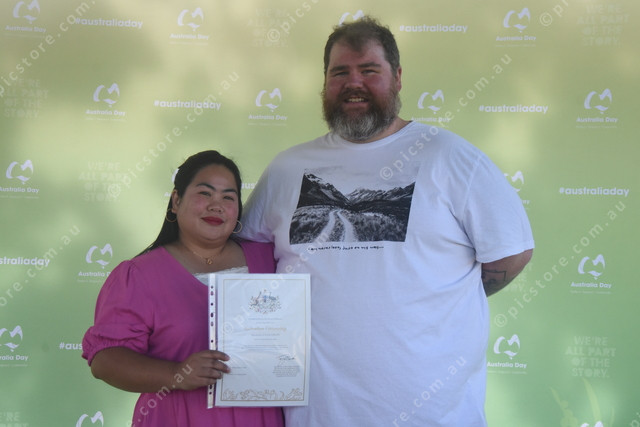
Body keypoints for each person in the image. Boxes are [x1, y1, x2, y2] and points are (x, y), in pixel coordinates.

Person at [240, 16, 534, 427]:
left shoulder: (450, 157)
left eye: (369, 70)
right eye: (339, 72)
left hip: (433, 414)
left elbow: (512, 253)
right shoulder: (287, 169)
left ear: (397, 78)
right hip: (315, 413)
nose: (353, 83)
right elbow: (244, 257)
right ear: (324, 83)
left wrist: (445, 298)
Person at [82, 151, 284, 427]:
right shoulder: (139, 275)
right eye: (205, 193)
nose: (216, 206)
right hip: (177, 417)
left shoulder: (271, 260)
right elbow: (105, 361)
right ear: (176, 201)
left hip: (261, 418)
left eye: (228, 197)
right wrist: (176, 373)